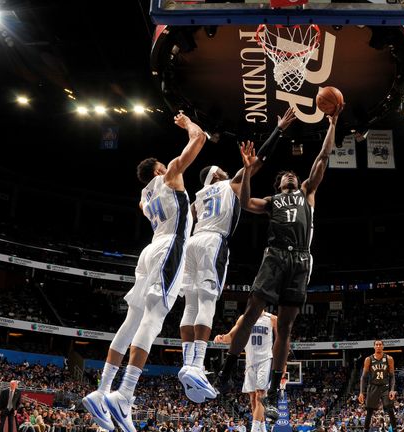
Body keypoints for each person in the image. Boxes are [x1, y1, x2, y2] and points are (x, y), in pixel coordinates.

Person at [214, 102, 342, 420]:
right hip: (274, 257)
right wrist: (246, 170)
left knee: (284, 327)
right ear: (278, 183)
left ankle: (271, 392)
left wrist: (333, 124)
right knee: (252, 312)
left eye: (292, 175)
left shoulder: (308, 192)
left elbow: (323, 157)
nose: (290, 177)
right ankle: (226, 371)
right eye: (285, 176)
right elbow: (243, 202)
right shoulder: (272, 201)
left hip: (300, 261)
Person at [82, 113, 207, 432]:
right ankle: (123, 395)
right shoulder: (170, 174)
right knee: (154, 317)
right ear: (159, 169)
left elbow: (177, 211)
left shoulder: (143, 198)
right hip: (169, 250)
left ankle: (101, 390)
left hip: (149, 251)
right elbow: (200, 138)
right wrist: (188, 124)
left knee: (132, 319)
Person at [178, 107, 296, 402]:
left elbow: (184, 222)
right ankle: (198, 365)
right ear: (217, 176)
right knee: (206, 302)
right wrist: (278, 130)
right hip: (212, 243)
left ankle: (188, 363)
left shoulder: (199, 197)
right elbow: (260, 161)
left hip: (190, 243)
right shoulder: (229, 185)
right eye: (222, 171)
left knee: (190, 304)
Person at [214, 311, 278, 432]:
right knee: (253, 398)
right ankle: (263, 429)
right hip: (250, 362)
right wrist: (221, 338)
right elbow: (231, 337)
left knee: (261, 394)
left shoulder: (272, 319)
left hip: (265, 359)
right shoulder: (243, 318)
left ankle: (254, 429)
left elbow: (281, 340)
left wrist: (281, 362)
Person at [359, 340, 397, 432]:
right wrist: (361, 392)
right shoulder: (369, 359)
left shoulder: (389, 358)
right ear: (374, 347)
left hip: (385, 386)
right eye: (377, 344)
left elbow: (392, 376)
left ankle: (395, 429)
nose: (378, 346)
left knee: (389, 408)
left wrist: (392, 390)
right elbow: (363, 377)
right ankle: (365, 430)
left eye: (380, 344)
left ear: (383, 346)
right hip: (373, 386)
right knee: (369, 411)